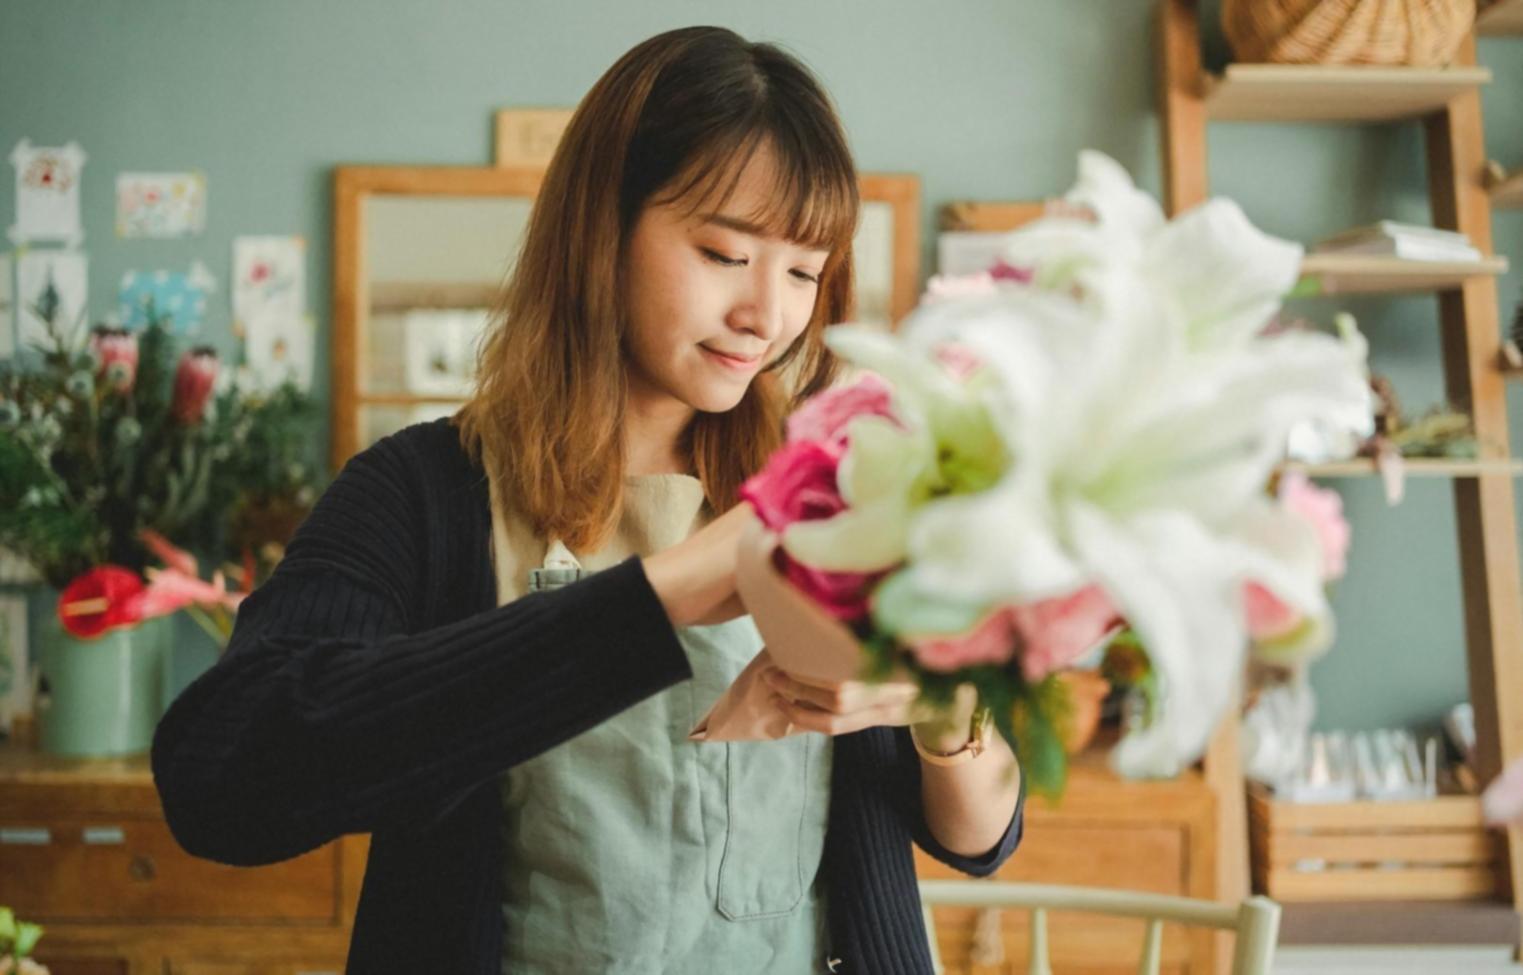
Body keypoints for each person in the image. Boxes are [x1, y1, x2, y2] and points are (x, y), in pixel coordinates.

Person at [152, 26, 1024, 975]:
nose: (766, 315)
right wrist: (676, 586)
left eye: (805, 272)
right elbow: (222, 778)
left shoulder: (844, 494)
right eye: (725, 253)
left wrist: (949, 715)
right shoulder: (421, 495)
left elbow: (978, 836)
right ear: (601, 228)